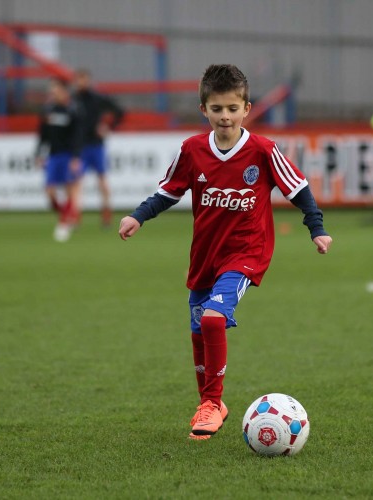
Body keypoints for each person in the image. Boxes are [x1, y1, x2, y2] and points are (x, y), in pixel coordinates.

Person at [118, 64, 332, 440]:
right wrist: (139, 217)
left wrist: (316, 229)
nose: (225, 116)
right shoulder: (193, 150)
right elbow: (169, 191)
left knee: (214, 319)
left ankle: (213, 403)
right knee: (199, 330)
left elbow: (298, 188)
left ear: (246, 108)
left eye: (233, 108)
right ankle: (209, 403)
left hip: (247, 252)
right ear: (204, 110)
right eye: (217, 109)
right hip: (205, 254)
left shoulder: (263, 150)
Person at [74, 68, 123, 227]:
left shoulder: (97, 98)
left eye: (84, 79)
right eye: (79, 79)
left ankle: (106, 213)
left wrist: (109, 127)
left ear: (88, 80)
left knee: (102, 181)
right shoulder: (73, 100)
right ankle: (75, 216)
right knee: (77, 182)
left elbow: (119, 111)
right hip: (80, 147)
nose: (81, 82)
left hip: (96, 145)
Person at [35, 78, 83, 242]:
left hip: (68, 155)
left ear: (64, 92)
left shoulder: (73, 110)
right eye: (52, 91)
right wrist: (39, 153)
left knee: (70, 190)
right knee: (50, 191)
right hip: (53, 156)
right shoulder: (48, 110)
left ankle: (63, 223)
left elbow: (78, 136)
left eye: (56, 91)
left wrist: (76, 158)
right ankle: (67, 215)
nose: (53, 94)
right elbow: (42, 135)